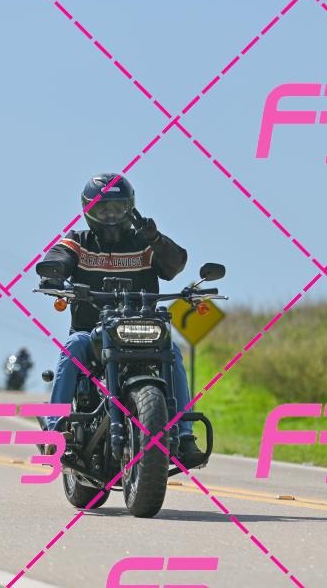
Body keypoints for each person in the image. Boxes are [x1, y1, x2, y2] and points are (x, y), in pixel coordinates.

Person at [36, 173, 206, 468]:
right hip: (92, 333)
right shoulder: (79, 241)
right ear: (89, 210)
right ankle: (56, 429)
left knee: (173, 352)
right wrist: (55, 273)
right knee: (73, 345)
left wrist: (156, 239)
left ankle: (185, 434)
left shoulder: (144, 242)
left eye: (118, 208)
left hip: (143, 328)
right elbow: (58, 257)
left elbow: (175, 265)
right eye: (104, 210)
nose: (111, 216)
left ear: (130, 208)